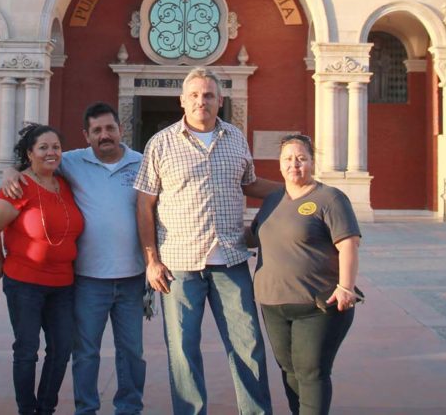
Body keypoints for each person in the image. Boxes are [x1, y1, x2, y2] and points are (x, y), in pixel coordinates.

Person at [134, 67, 279, 415]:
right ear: (182, 101)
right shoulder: (161, 143)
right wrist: (151, 260)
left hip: (230, 261)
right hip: (179, 267)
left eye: (209, 95)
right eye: (195, 95)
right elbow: (144, 203)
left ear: (220, 100)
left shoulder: (235, 138)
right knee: (183, 351)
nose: (202, 101)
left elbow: (250, 184)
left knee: (248, 346)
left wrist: (299, 190)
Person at [2, 103, 146, 415]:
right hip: (88, 280)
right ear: (86, 135)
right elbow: (39, 158)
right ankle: (86, 409)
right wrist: (9, 171)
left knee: (132, 351)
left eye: (110, 128)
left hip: (132, 277)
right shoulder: (72, 161)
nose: (104, 135)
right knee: (85, 353)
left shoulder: (143, 163)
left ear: (121, 129)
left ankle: (129, 408)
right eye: (97, 130)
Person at [247, 133, 362, 415]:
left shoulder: (330, 198)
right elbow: (252, 236)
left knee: (311, 372)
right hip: (273, 304)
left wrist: (346, 287)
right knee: (289, 370)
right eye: (288, 159)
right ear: (279, 164)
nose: (294, 164)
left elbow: (348, 244)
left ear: (312, 161)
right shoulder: (274, 199)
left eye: (301, 158)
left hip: (317, 306)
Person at [0, 123, 84, 415]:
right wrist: (1, 265)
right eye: (43, 147)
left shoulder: (63, 183)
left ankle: (45, 408)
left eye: (56, 147)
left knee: (61, 348)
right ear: (30, 153)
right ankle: (28, 410)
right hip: (24, 283)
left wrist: (10, 168)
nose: (51, 153)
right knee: (27, 351)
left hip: (64, 284)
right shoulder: (18, 187)